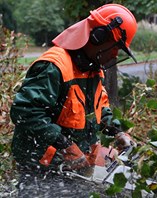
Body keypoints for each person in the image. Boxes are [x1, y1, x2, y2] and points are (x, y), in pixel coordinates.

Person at [10, 4, 137, 195]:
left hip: (73, 168)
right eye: (116, 46)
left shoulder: (92, 69)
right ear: (99, 36)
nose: (115, 54)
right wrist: (65, 145)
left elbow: (99, 109)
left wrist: (117, 131)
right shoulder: (54, 66)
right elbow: (25, 112)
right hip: (41, 166)